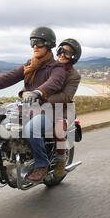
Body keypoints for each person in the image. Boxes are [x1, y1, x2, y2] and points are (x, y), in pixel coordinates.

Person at [0, 26, 66, 182]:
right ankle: (3, 155)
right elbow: (11, 76)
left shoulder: (57, 67)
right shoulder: (31, 64)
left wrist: (38, 92)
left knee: (31, 128)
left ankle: (42, 164)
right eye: (32, 42)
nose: (34, 46)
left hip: (48, 110)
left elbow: (54, 83)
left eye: (39, 42)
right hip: (28, 108)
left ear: (48, 45)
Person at [47, 38, 82, 178]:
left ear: (73, 57)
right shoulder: (47, 67)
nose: (62, 55)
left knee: (58, 129)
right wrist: (25, 93)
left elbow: (66, 96)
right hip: (43, 107)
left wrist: (43, 99)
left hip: (64, 109)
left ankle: (61, 160)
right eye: (61, 50)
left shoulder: (74, 76)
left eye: (67, 53)